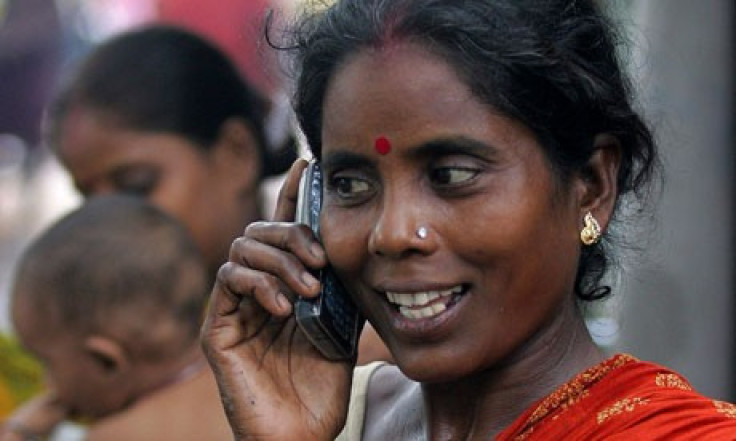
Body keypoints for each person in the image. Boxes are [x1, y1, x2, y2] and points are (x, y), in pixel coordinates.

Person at [200, 0, 736, 439]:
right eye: (352, 184)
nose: (391, 234)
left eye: (451, 175)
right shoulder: (342, 418)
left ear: (592, 186)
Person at [44, 23, 390, 366]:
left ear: (235, 154)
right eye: (87, 197)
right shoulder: (101, 331)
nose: (106, 220)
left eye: (137, 185)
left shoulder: (341, 320)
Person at [1, 195, 233, 441]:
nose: (48, 385)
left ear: (106, 362)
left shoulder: (116, 435)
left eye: (47, 362)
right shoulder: (240, 383)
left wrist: (19, 432)